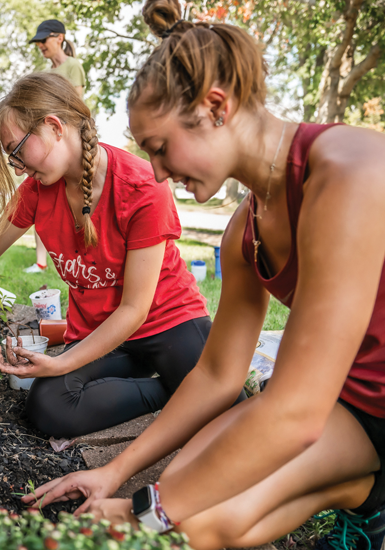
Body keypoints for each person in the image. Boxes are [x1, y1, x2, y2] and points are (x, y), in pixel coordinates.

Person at [22, 2, 385, 549]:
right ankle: (368, 496)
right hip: (344, 402)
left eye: (161, 149)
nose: (159, 172)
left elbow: (296, 410)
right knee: (185, 499)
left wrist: (147, 513)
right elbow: (218, 376)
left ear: (216, 107)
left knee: (200, 521)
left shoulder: (348, 170)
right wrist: (116, 476)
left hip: (344, 407)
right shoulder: (245, 229)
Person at [0, 72, 220, 439]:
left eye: (18, 151)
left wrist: (60, 361)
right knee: (48, 408)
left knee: (227, 403)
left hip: (168, 322)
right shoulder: (36, 192)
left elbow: (134, 309)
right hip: (100, 334)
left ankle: (190, 387)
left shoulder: (141, 185)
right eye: (11, 158)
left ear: (54, 127)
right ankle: (175, 391)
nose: (17, 168)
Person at [25, 19, 87, 274]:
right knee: (43, 202)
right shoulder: (44, 73)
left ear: (59, 38)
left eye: (44, 40)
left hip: (65, 143)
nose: (40, 45)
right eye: (38, 42)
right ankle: (41, 261)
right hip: (45, 143)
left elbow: (77, 107)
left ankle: (80, 257)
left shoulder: (73, 67)